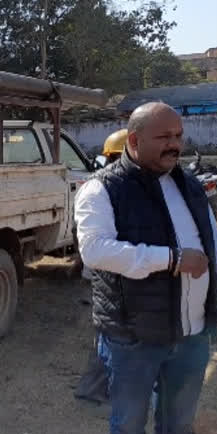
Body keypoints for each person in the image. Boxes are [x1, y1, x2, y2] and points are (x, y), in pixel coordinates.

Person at [74, 102, 217, 434]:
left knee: (177, 425)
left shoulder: (191, 187)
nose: (174, 144)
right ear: (134, 139)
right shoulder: (102, 189)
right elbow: (94, 250)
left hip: (192, 336)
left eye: (179, 136)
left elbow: (216, 255)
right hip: (134, 339)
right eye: (163, 137)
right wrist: (171, 259)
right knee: (129, 426)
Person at [73, 128, 129, 405]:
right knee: (110, 335)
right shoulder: (108, 188)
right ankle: (92, 388)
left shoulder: (100, 183)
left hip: (102, 273)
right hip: (110, 275)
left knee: (112, 334)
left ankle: (101, 386)